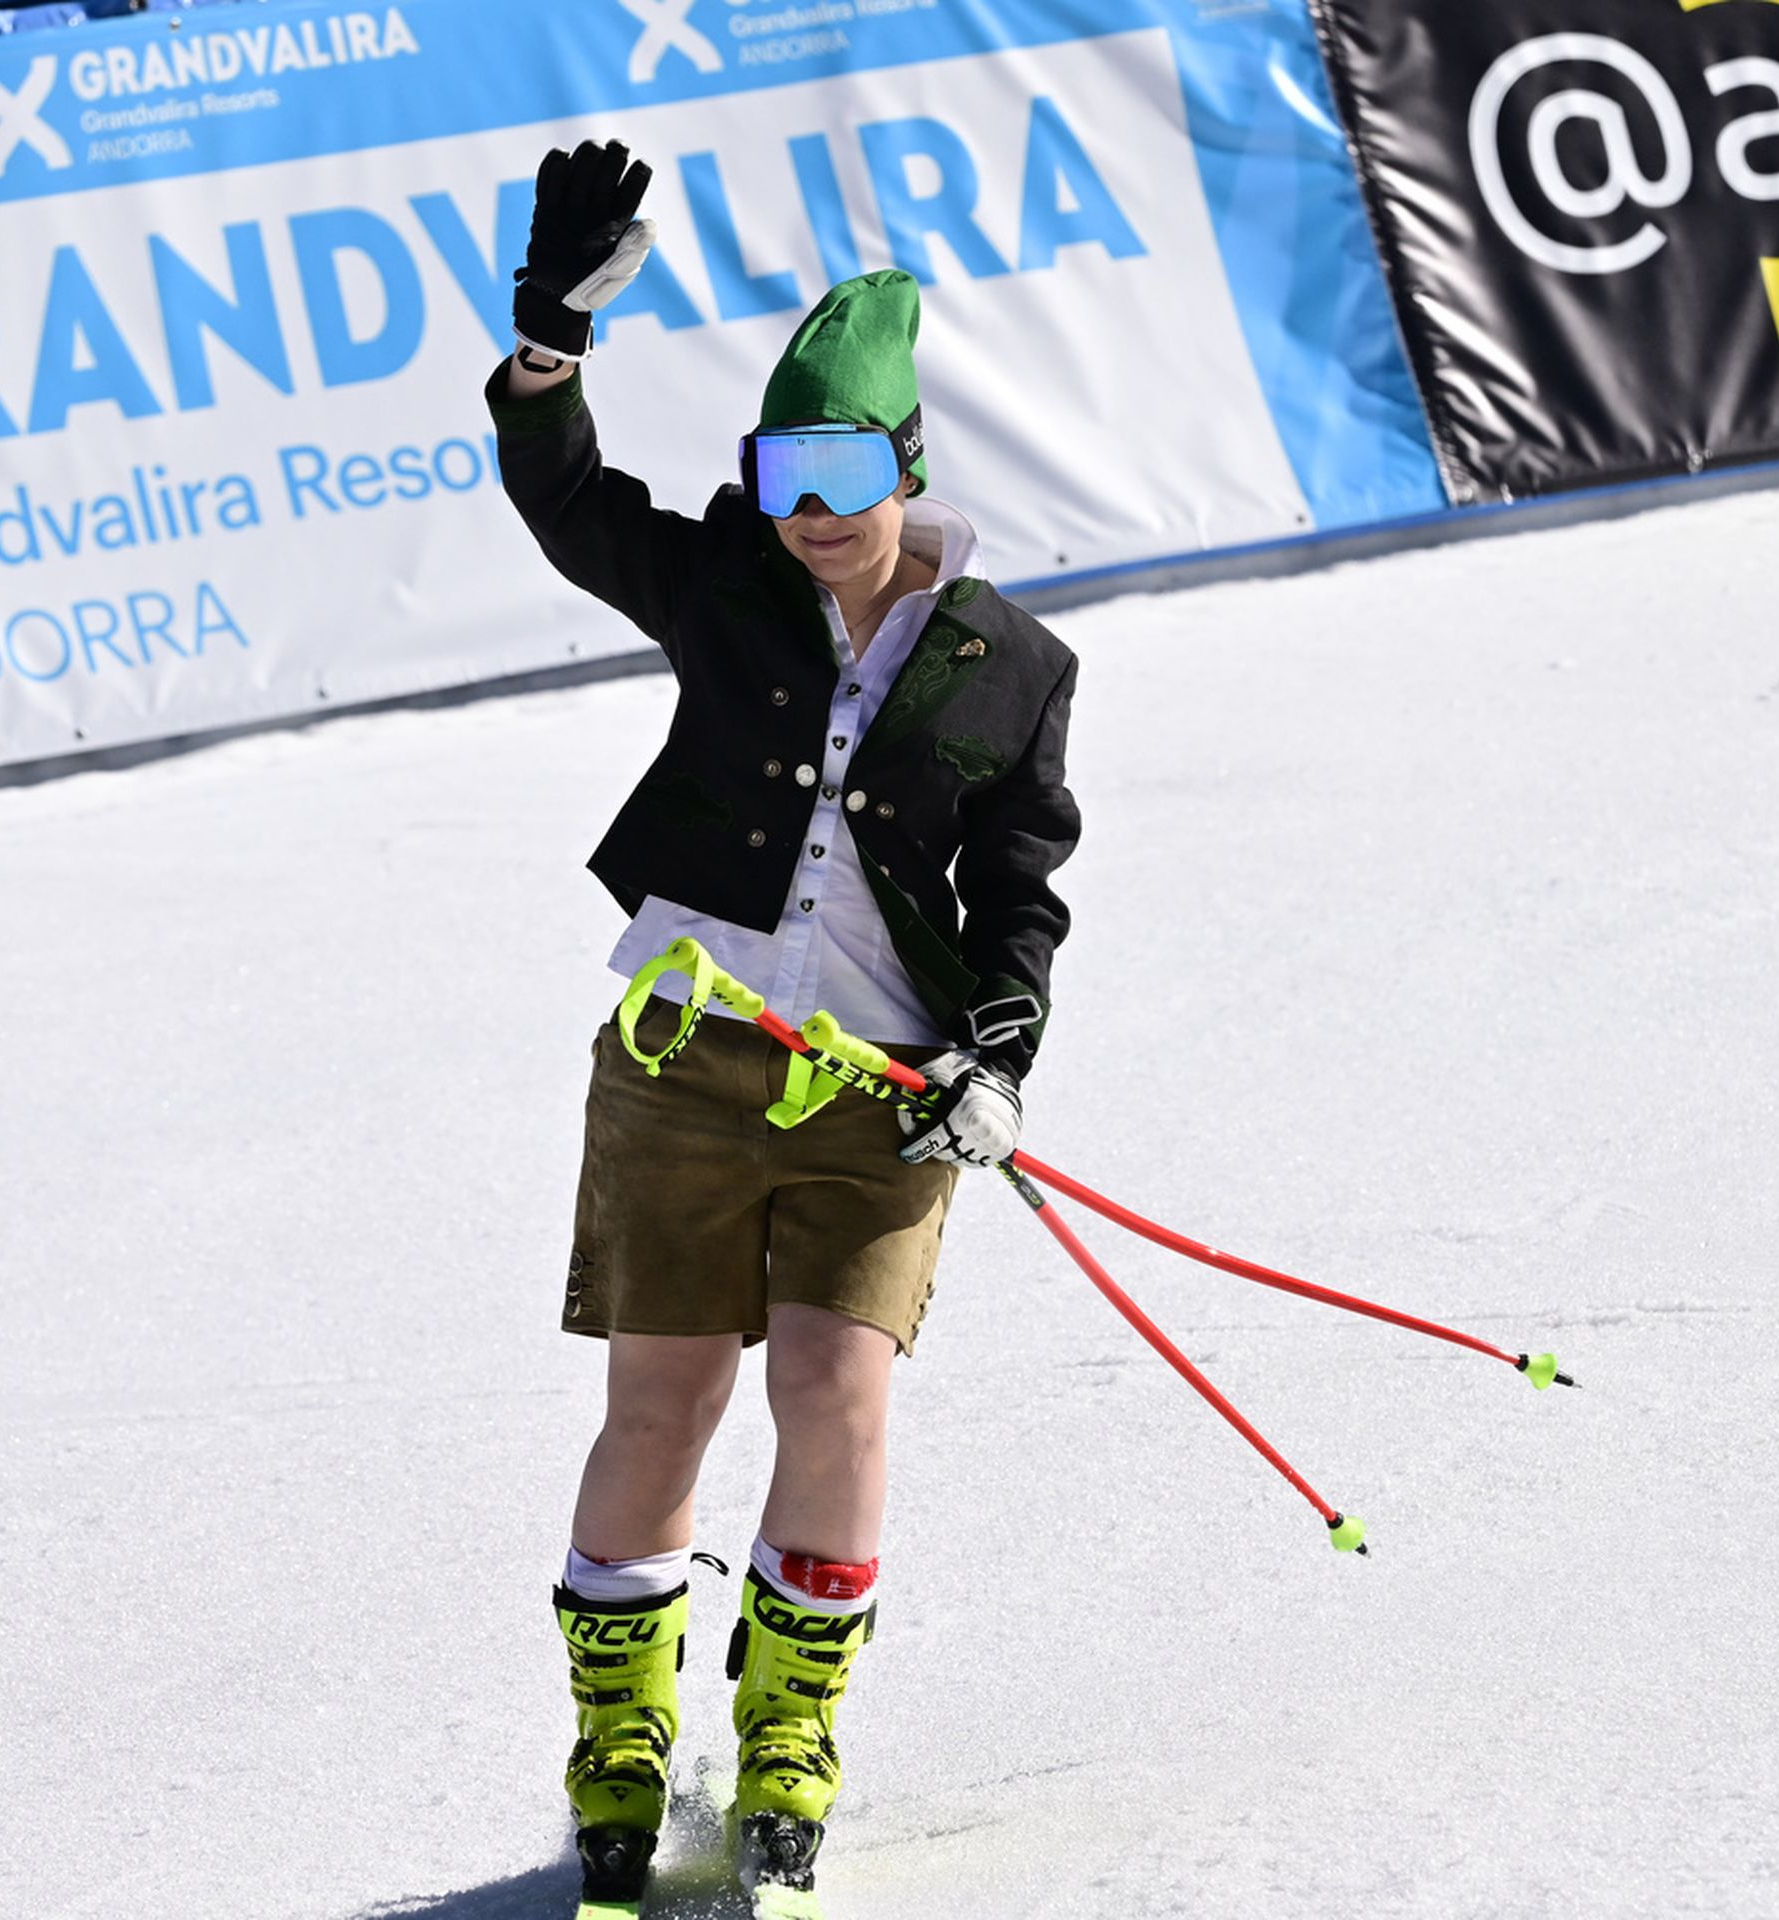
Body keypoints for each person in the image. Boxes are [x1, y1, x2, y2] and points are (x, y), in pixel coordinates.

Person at [486, 140, 1082, 1917]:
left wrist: (1000, 1050)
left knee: (837, 1394)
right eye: (777, 470)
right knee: (663, 1404)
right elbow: (573, 503)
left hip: (880, 1095)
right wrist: (548, 346)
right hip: (686, 1057)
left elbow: (1020, 890)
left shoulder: (1011, 664)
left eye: (839, 469)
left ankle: (791, 1739)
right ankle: (617, 1743)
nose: (806, 508)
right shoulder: (729, 584)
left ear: (906, 463)